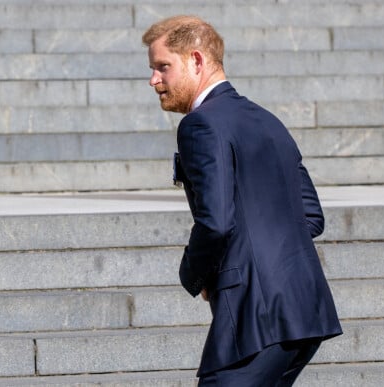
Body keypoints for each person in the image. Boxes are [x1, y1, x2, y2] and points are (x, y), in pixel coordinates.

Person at [142, 15, 342, 386]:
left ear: (197, 60)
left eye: (162, 67)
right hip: (303, 308)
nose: (154, 80)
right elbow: (310, 216)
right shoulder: (267, 120)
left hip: (255, 317)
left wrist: (194, 273)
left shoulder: (200, 124)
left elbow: (216, 222)